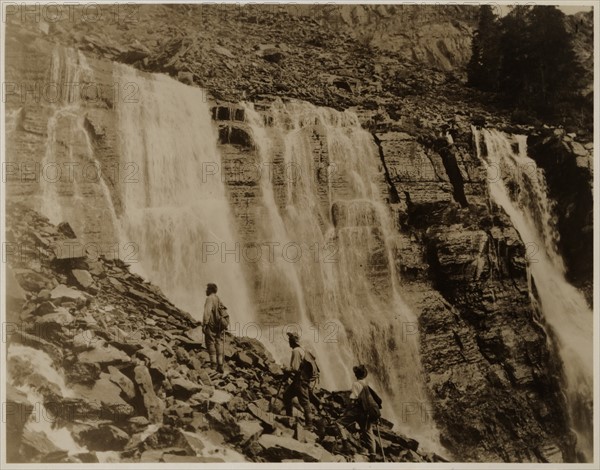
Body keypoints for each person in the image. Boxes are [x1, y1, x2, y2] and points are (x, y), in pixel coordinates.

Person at [336, 364, 377, 461]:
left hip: (358, 412)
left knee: (339, 423)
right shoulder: (367, 385)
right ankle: (373, 456)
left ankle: (345, 446)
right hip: (367, 413)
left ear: (356, 375)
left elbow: (352, 399)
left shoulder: (356, 384)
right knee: (369, 433)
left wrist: (346, 411)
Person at [282, 332, 313, 429]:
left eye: (290, 340)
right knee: (286, 395)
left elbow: (295, 368)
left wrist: (286, 369)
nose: (289, 342)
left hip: (300, 381)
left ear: (292, 342)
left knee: (305, 402)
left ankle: (309, 425)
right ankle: (289, 418)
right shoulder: (302, 350)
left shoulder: (295, 351)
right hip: (301, 380)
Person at [202, 283, 225, 373]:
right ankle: (220, 365)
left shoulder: (209, 298)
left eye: (207, 289)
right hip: (219, 325)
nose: (206, 291)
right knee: (218, 343)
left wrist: (204, 324)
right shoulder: (218, 298)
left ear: (210, 290)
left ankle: (213, 365)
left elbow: (207, 312)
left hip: (211, 324)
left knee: (210, 343)